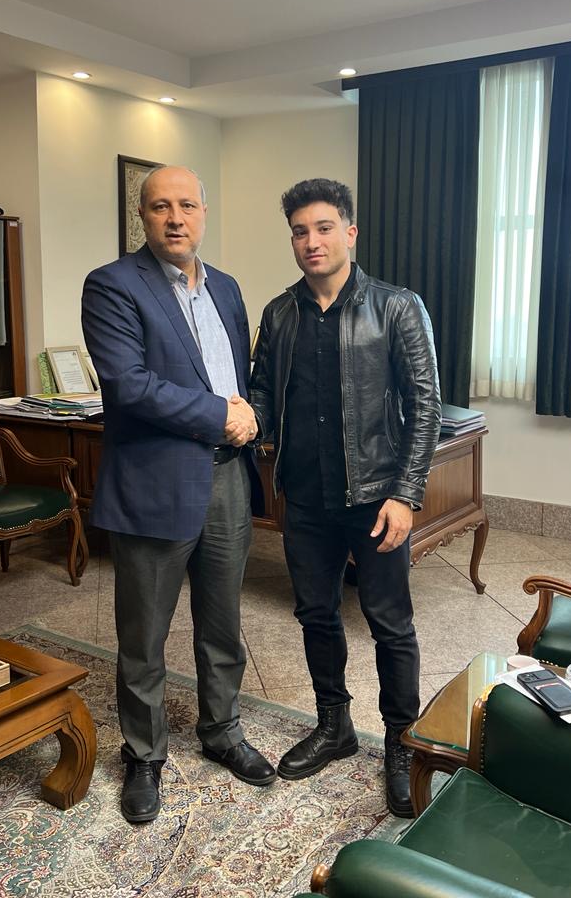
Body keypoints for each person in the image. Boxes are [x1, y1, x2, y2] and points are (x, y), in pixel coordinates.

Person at [82, 165, 275, 825]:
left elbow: (240, 375)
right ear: (142, 215)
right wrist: (222, 414)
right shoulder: (113, 285)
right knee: (144, 634)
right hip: (154, 483)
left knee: (223, 622)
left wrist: (249, 415)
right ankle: (144, 754)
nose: (175, 218)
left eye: (187, 205)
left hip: (226, 478)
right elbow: (129, 384)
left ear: (204, 212)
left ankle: (222, 729)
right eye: (161, 206)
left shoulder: (226, 287)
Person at [250, 178, 441, 817]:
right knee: (316, 615)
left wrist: (406, 494)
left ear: (350, 233)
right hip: (305, 499)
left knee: (390, 623)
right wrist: (238, 419)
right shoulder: (279, 313)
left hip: (377, 498)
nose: (312, 241)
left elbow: (425, 406)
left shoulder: (396, 307)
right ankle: (334, 726)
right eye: (300, 232)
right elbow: (262, 393)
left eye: (324, 228)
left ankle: (403, 741)